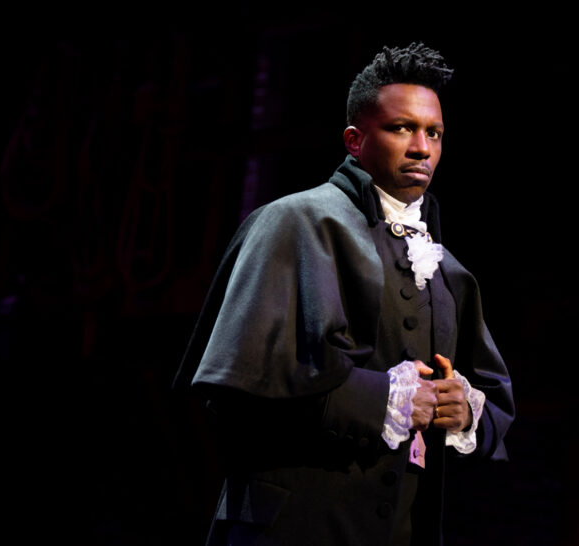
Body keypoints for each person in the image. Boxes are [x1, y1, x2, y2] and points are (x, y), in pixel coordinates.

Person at [174, 43, 514, 545]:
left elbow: (493, 403)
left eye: (434, 133)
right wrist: (384, 400)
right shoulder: (294, 222)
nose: (421, 148)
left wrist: (462, 411)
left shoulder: (448, 271)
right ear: (355, 140)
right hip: (290, 529)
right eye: (402, 128)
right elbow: (238, 386)